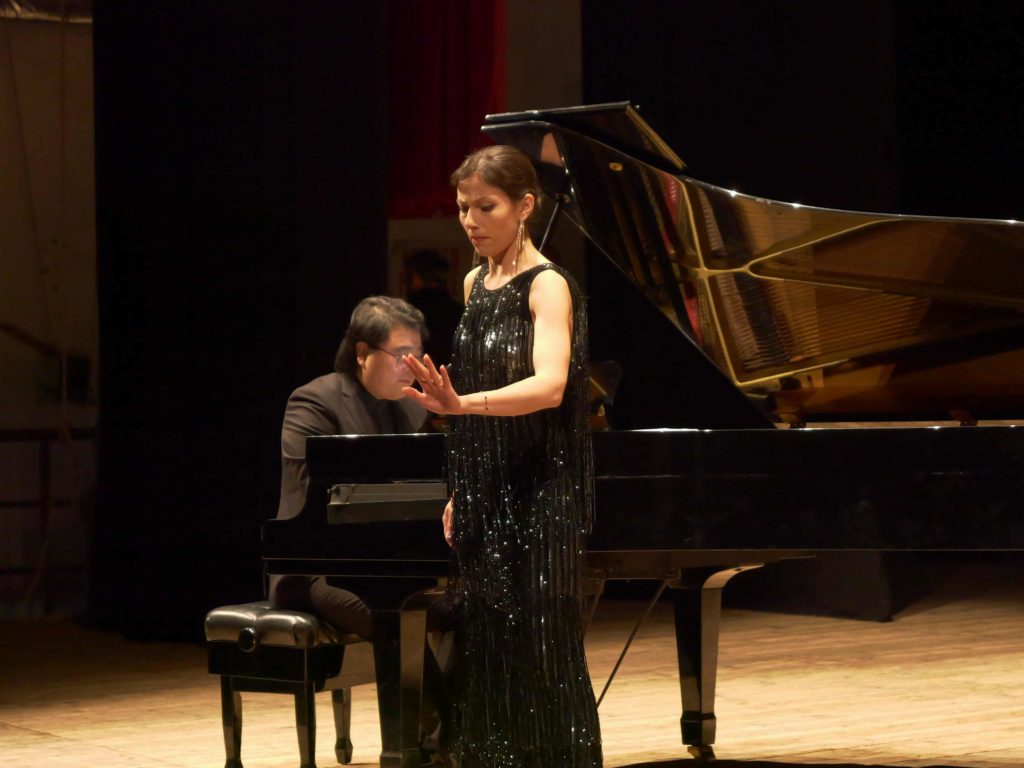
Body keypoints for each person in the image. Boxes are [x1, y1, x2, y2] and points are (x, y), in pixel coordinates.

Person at [402, 145, 602, 767]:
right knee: (488, 642)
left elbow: (550, 386)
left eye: (485, 207)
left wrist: (460, 404)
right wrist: (462, 488)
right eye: (463, 207)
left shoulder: (548, 286)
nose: (470, 220)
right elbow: (474, 396)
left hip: (545, 490)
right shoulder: (472, 283)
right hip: (488, 488)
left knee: (541, 644)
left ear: (525, 206)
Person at [269, 296, 429, 639]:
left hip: (392, 562)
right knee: (399, 619)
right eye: (401, 356)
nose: (412, 368)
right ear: (361, 353)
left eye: (417, 356)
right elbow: (318, 497)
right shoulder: (314, 402)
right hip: (318, 568)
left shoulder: (415, 409)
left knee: (464, 608)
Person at [403, 248, 464, 366]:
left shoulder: (408, 311)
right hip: (450, 374)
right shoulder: (459, 310)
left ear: (422, 275)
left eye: (410, 276)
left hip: (416, 372)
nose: (407, 282)